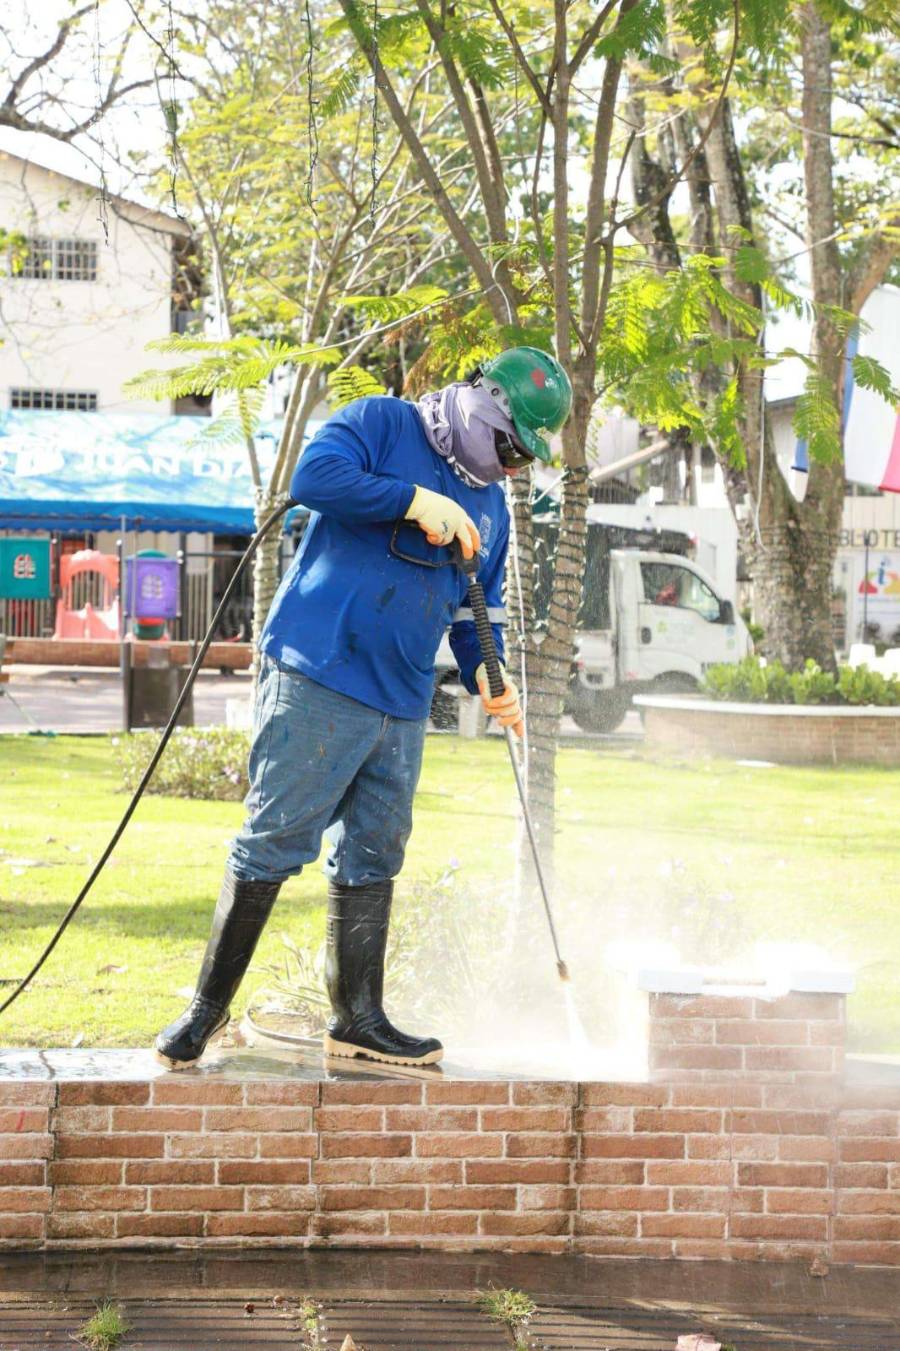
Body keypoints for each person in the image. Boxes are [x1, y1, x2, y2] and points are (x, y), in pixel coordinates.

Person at [155, 346, 573, 1069]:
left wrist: (489, 677)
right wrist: (413, 500)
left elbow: (476, 613)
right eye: (509, 446)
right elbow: (314, 478)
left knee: (376, 849)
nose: (512, 465)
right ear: (483, 402)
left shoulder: (493, 507)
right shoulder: (384, 424)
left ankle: (358, 1019)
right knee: (274, 839)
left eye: (524, 458)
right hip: (320, 670)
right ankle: (204, 1013)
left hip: (403, 698)